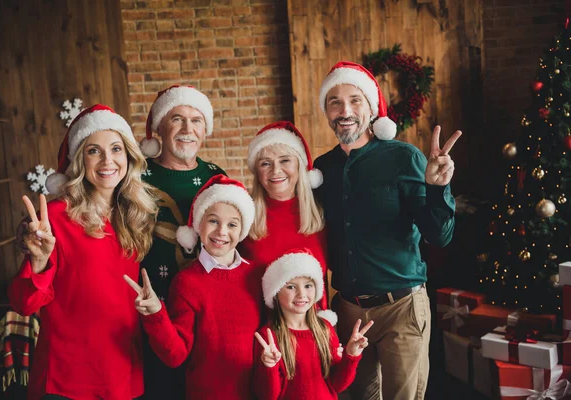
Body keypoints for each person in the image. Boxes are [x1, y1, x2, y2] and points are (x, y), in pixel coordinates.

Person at [314, 61, 461, 400]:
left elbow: (439, 235)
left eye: (354, 100)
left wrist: (439, 189)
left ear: (370, 107)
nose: (345, 110)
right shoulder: (322, 169)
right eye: (334, 101)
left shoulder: (402, 157)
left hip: (401, 307)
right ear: (326, 111)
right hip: (348, 310)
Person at [8, 104, 158, 400]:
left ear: (128, 155)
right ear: (80, 160)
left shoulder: (135, 215)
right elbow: (24, 304)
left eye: (116, 149)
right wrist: (38, 262)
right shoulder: (55, 217)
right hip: (67, 379)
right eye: (94, 150)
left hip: (123, 373)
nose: (107, 160)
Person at [124, 175, 264, 400]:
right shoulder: (187, 282)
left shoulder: (258, 276)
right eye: (213, 221)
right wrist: (155, 314)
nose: (222, 232)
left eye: (232, 224)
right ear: (199, 224)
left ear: (242, 230)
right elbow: (175, 355)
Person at [138, 85, 227, 399]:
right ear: (160, 127)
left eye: (197, 121)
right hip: (150, 307)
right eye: (177, 119)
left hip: (205, 312)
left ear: (206, 130)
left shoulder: (216, 177)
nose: (188, 129)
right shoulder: (136, 176)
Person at [253, 248, 373, 400]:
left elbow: (337, 385)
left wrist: (351, 355)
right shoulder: (268, 337)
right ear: (275, 293)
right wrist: (269, 366)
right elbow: (268, 395)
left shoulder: (325, 329)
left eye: (308, 286)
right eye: (291, 287)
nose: (301, 294)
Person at [239, 121, 331, 312]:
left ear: (299, 165)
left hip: (314, 329)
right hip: (264, 331)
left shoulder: (322, 213)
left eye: (285, 160)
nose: (276, 170)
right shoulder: (244, 217)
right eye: (266, 163)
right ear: (257, 172)